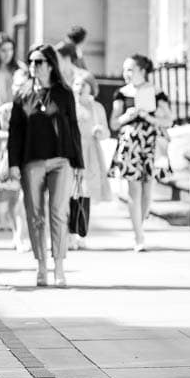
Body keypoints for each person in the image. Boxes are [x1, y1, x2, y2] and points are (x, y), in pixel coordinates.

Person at [8, 44, 83, 287]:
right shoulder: (22, 94)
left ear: (50, 65)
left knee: (58, 213)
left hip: (61, 161)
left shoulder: (64, 92)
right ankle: (41, 267)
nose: (33, 66)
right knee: (35, 215)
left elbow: (73, 128)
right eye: (31, 61)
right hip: (32, 162)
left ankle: (59, 266)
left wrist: (79, 163)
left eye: (38, 61)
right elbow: (15, 133)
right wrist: (12, 164)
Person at [109, 54, 173, 251]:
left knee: (147, 191)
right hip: (130, 145)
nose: (126, 74)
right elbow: (113, 123)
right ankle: (139, 236)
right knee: (133, 191)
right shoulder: (121, 94)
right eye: (125, 70)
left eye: (130, 69)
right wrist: (126, 117)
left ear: (142, 71)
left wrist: (148, 117)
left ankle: (140, 227)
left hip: (150, 144)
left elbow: (168, 121)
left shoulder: (157, 93)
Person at [71, 71, 112, 248]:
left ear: (91, 87)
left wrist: (100, 132)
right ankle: (70, 233)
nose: (79, 88)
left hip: (90, 153)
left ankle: (82, 233)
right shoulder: (70, 105)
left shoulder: (97, 108)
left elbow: (107, 132)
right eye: (77, 84)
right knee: (71, 193)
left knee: (85, 195)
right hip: (72, 152)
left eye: (83, 84)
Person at [0, 69, 30, 252]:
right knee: (12, 199)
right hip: (9, 157)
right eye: (17, 84)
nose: (19, 88)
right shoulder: (5, 110)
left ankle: (22, 235)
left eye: (23, 84)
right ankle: (17, 233)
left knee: (24, 199)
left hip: (28, 157)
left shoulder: (32, 107)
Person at [0, 32, 26, 108]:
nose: (8, 54)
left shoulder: (20, 68)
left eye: (11, 49)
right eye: (3, 50)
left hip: (16, 114)